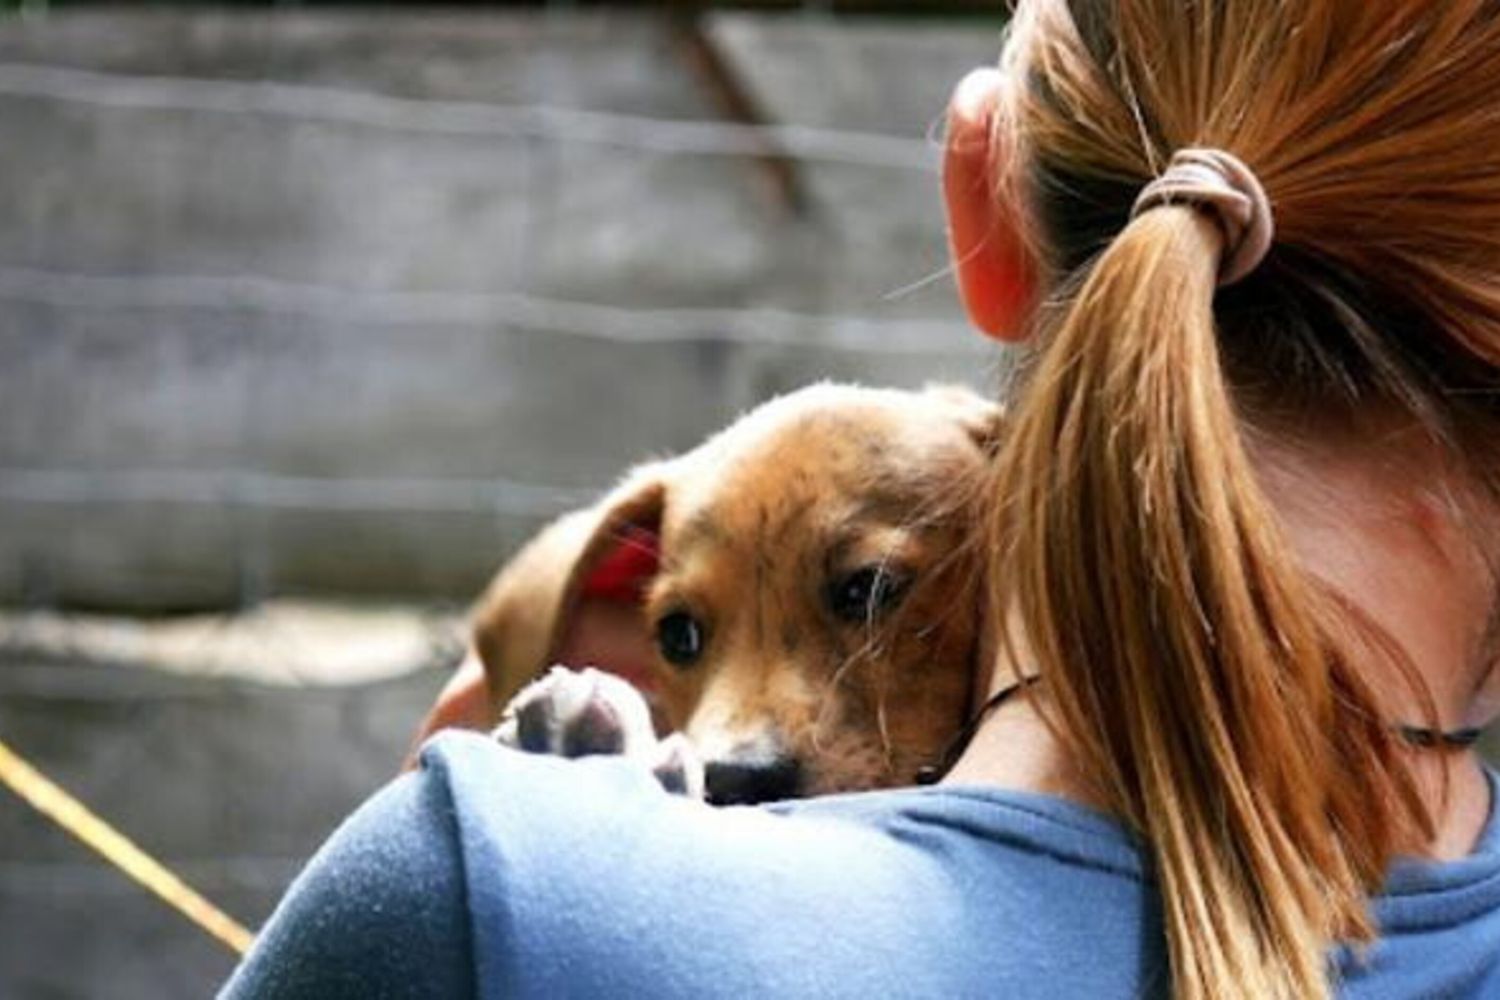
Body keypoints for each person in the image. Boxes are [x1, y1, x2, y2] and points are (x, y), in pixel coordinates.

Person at [221, 2, 1500, 997]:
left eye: (873, 596)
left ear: (982, 202)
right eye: (684, 632)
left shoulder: (491, 901)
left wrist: (490, 870)